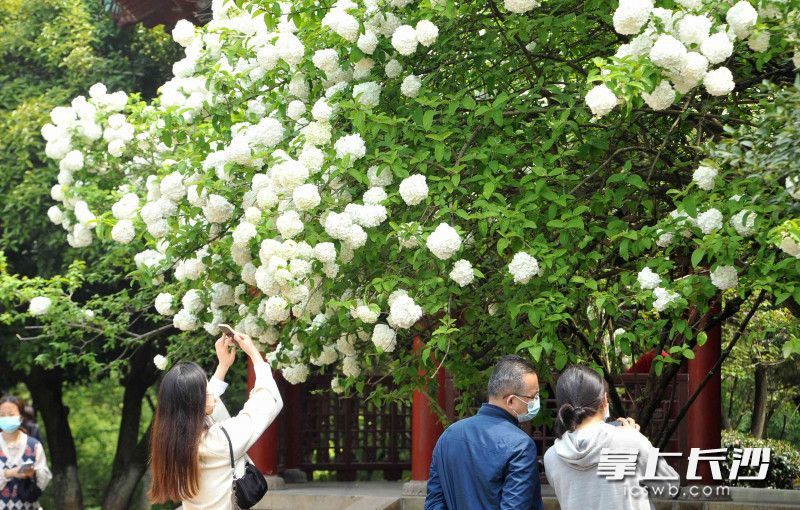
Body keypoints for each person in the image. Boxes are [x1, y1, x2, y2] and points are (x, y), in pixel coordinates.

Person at [148, 332, 283, 509]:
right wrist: (255, 355)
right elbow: (268, 401)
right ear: (197, 402)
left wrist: (223, 366)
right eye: (205, 389)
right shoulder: (221, 441)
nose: (210, 393)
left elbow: (200, 408)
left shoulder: (170, 443)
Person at [543, 365, 679, 510]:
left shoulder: (551, 456)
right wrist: (635, 437)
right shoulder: (631, 440)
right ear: (604, 401)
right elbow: (671, 487)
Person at [425, 355, 544, 510]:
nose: (536, 401)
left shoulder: (449, 435)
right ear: (511, 401)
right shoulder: (521, 445)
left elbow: (434, 503)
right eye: (533, 396)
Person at [0, 395, 52, 510]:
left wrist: (33, 473)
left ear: (21, 417)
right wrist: (10, 473)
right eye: (2, 415)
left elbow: (44, 478)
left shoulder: (34, 445)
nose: (6, 418)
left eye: (11, 414)